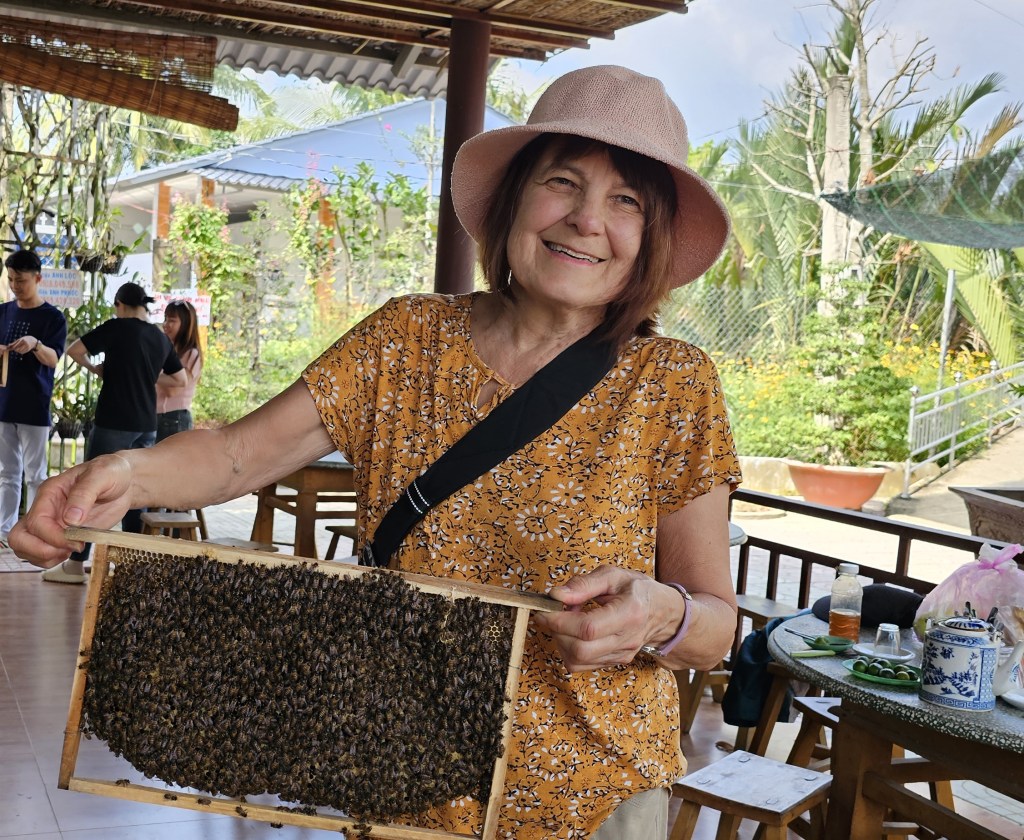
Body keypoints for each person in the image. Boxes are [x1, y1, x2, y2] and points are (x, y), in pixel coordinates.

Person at [13, 66, 741, 837]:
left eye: (625, 199)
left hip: (600, 797)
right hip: (402, 782)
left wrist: (664, 615)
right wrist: (123, 471)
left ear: (651, 234)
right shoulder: (405, 340)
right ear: (515, 201)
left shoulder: (675, 383)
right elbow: (233, 455)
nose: (588, 220)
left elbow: (715, 624)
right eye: (563, 182)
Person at [39, 281, 185, 583]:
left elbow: (75, 350)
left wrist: (99, 370)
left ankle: (76, 564)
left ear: (119, 304)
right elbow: (179, 379)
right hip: (146, 424)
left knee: (92, 491)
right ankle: (131, 566)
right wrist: (146, 377)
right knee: (135, 492)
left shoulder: (115, 327)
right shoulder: (158, 337)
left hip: (114, 419)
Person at [0, 250, 67, 549]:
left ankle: (38, 530)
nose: (16, 285)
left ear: (38, 278)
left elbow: (53, 360)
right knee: (7, 474)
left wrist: (35, 344)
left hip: (34, 405)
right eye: (12, 279)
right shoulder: (2, 311)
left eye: (22, 280)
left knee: (36, 476)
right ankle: (5, 531)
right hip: (3, 403)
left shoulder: (52, 318)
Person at [155, 299, 203, 443]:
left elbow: (173, 390)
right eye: (165, 319)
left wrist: (149, 374)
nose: (165, 324)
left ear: (186, 324)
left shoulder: (191, 354)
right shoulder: (166, 351)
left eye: (172, 320)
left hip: (174, 418)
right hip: (157, 417)